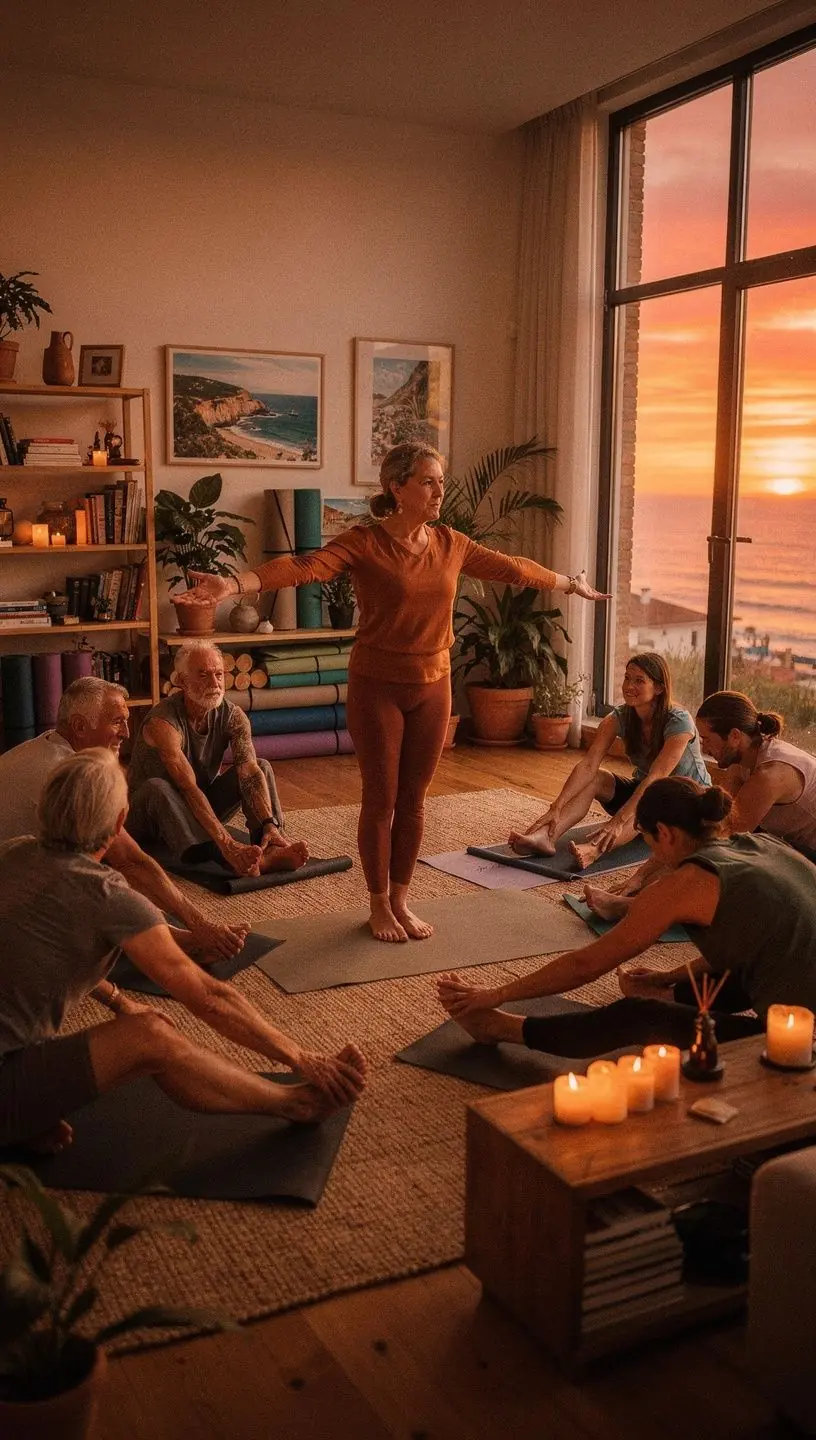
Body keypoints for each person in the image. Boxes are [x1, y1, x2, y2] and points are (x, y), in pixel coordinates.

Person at [177, 441, 608, 942]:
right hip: (377, 686)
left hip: (434, 685)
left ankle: (403, 898)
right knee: (380, 800)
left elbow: (511, 567)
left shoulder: (451, 543)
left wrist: (567, 583)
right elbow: (303, 567)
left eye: (441, 480)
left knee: (416, 800)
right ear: (396, 487)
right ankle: (378, 903)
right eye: (429, 481)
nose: (440, 490)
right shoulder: (365, 543)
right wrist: (231, 586)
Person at [0, 749, 367, 1153]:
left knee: (131, 1026)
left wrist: (119, 1000)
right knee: (151, 1035)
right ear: (121, 822)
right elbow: (209, 998)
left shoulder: (14, 851)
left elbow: (48, 948)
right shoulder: (107, 895)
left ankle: (24, 1121)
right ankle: (295, 1103)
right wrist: (302, 1057)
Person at [438, 777, 816, 1059]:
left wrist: (497, 994)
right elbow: (752, 943)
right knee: (749, 966)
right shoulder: (763, 844)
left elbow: (586, 965)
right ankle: (669, 995)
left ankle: (499, 1026)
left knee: (637, 1016)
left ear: (664, 833)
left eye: (648, 842)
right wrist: (668, 976)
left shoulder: (686, 882)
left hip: (802, 1046)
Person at [0, 675, 247, 961]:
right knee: (104, 880)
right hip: (12, 918)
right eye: (116, 721)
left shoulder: (39, 746)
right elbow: (131, 861)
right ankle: (176, 942)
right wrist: (201, 925)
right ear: (80, 726)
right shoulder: (73, 777)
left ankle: (175, 937)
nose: (127, 733)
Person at [584, 689, 816, 922]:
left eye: (707, 739)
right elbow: (707, 824)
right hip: (794, 847)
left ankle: (632, 907)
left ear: (734, 736)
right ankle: (638, 902)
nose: (704, 749)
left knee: (720, 871)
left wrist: (648, 882)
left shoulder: (771, 775)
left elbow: (717, 844)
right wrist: (639, 877)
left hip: (807, 858)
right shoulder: (742, 761)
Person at [508, 651, 709, 869]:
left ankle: (594, 851)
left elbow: (656, 777)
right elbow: (588, 764)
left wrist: (619, 820)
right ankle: (548, 836)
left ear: (659, 688)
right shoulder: (619, 717)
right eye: (627, 678)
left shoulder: (679, 722)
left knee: (646, 801)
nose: (629, 686)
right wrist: (556, 806)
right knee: (596, 778)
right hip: (648, 792)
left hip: (688, 804)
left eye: (639, 680)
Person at [127, 642, 308, 877]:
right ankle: (221, 856)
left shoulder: (233, 716)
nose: (214, 684)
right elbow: (187, 788)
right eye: (203, 675)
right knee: (157, 787)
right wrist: (227, 844)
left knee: (261, 766)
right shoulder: (163, 723)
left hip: (198, 810)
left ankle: (272, 845)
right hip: (151, 818)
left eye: (219, 674)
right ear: (181, 681)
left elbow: (249, 772)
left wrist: (268, 823)